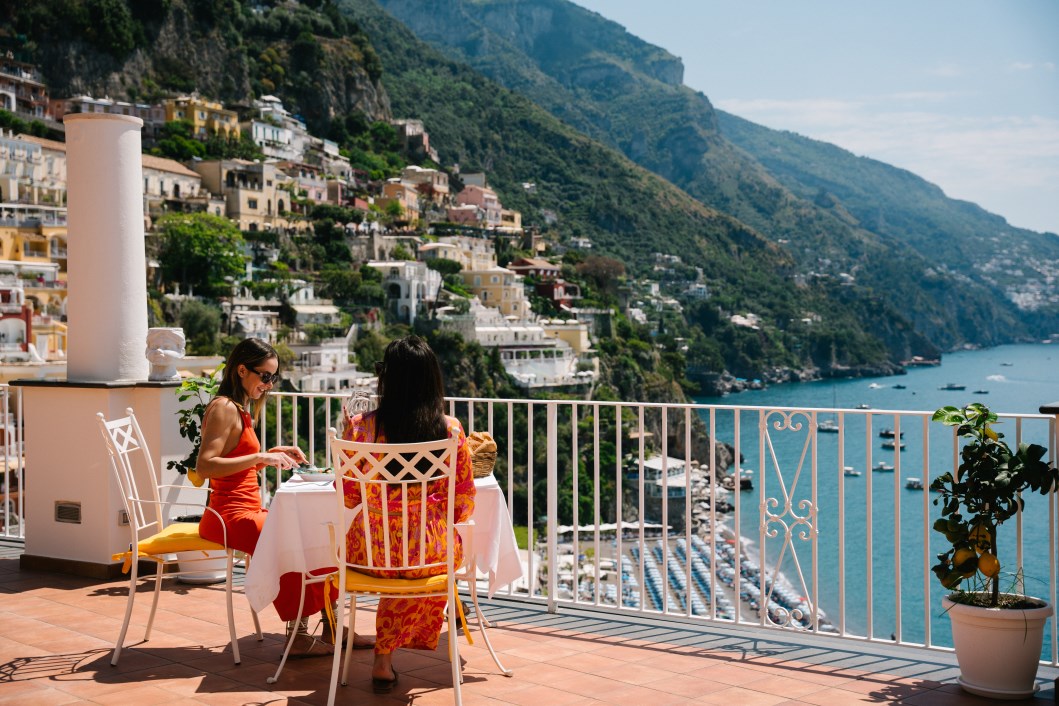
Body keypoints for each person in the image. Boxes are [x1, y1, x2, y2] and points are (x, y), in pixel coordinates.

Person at [196, 338, 374, 655]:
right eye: (265, 376)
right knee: (294, 542)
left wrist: (270, 454)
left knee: (314, 535)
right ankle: (299, 636)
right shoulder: (224, 408)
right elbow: (206, 466)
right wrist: (261, 457)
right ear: (241, 370)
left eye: (273, 377)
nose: (269, 384)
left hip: (247, 510)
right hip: (227, 517)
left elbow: (234, 461)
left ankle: (332, 627)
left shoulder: (240, 409)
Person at [341, 335, 476, 694]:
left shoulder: (361, 427)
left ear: (387, 378)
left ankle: (383, 658)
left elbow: (349, 495)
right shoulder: (451, 430)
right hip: (428, 554)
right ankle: (386, 654)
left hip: (369, 552)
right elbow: (463, 499)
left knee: (403, 558)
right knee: (427, 558)